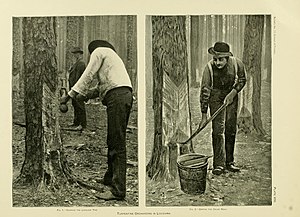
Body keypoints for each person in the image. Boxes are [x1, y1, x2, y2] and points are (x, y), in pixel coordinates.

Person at [61, 40, 133, 200]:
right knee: (112, 140)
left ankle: (118, 190)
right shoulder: (112, 62)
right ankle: (109, 179)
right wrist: (84, 95)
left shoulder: (99, 51)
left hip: (118, 97)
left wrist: (69, 96)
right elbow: (103, 87)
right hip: (122, 96)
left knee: (117, 143)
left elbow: (88, 75)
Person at [199, 42, 246, 175]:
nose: (217, 62)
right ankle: (218, 164)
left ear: (227, 58)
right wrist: (204, 115)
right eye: (215, 59)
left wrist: (233, 93)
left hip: (231, 96)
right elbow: (205, 92)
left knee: (230, 129)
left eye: (221, 59)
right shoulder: (208, 69)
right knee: (218, 131)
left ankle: (229, 162)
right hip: (215, 98)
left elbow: (242, 80)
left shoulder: (237, 64)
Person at [68, 47, 87, 130]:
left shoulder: (81, 64)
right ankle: (76, 122)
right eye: (74, 53)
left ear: (80, 54)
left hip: (78, 88)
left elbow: (79, 77)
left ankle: (82, 124)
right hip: (74, 88)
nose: (75, 55)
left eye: (76, 53)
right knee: (75, 105)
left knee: (80, 106)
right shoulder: (77, 63)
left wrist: (77, 88)